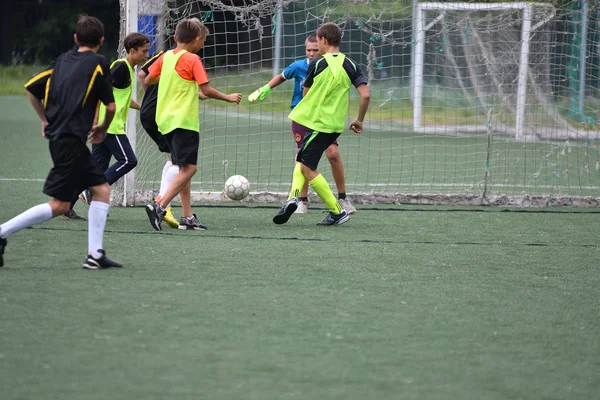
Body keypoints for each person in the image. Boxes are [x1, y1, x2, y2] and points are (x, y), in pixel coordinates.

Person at [0, 15, 122, 269]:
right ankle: (2, 232)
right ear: (101, 40)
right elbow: (110, 106)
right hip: (71, 142)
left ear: (75, 38)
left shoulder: (62, 61)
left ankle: (95, 255)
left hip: (63, 139)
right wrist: (102, 127)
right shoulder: (100, 64)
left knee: (100, 190)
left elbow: (31, 88)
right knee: (59, 205)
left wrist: (45, 120)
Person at [143, 18, 242, 231]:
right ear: (197, 39)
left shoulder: (166, 57)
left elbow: (148, 80)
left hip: (165, 120)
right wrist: (228, 97)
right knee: (190, 169)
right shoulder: (193, 59)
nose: (203, 44)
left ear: (176, 37)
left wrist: (177, 86)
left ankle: (187, 217)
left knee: (182, 168)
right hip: (183, 121)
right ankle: (159, 205)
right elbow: (206, 89)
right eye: (203, 40)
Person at [272, 22, 370, 226]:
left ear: (324, 40)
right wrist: (359, 120)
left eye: (317, 41)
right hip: (334, 125)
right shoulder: (351, 65)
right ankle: (294, 197)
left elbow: (306, 95)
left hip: (318, 124)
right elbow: (365, 95)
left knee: (307, 168)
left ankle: (337, 211)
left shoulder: (316, 64)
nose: (317, 45)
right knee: (301, 159)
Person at [249, 34, 357, 215]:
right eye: (309, 50)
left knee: (333, 153)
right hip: (301, 119)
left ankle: (342, 198)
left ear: (322, 47)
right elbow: (281, 77)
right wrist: (265, 88)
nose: (312, 53)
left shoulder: (330, 66)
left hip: (322, 120)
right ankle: (302, 201)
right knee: (303, 158)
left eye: (315, 49)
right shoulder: (299, 66)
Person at [77, 32, 151, 206]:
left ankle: (67, 203)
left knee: (97, 168)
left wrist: (144, 108)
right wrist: (95, 120)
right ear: (132, 51)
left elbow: (122, 98)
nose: (146, 56)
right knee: (128, 160)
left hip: (106, 124)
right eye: (144, 51)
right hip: (109, 125)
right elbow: (98, 89)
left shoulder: (129, 69)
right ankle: (91, 191)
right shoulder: (121, 67)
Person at [137, 50, 208, 229]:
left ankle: (186, 216)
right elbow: (142, 74)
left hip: (160, 114)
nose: (146, 54)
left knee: (181, 163)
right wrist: (153, 98)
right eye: (144, 50)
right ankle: (161, 205)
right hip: (168, 115)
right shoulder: (172, 56)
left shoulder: (170, 58)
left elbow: (145, 75)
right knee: (181, 165)